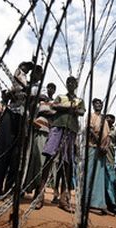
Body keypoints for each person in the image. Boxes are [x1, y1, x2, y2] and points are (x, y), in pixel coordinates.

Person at [0, 62, 36, 200]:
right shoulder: (18, 76)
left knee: (16, 156)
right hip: (11, 114)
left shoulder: (36, 88)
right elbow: (14, 89)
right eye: (26, 67)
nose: (27, 70)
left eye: (30, 69)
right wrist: (11, 94)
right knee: (1, 150)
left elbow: (34, 100)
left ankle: (9, 191)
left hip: (23, 120)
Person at [35, 76, 85, 212]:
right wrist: (69, 107)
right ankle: (39, 195)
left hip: (71, 131)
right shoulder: (60, 96)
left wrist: (70, 109)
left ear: (76, 85)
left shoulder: (79, 100)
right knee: (49, 158)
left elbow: (81, 112)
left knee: (67, 163)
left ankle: (64, 199)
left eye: (73, 82)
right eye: (68, 82)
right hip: (57, 127)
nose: (70, 84)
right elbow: (54, 105)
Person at [85, 98, 110, 214]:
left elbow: (108, 135)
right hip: (93, 147)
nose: (98, 105)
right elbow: (90, 130)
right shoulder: (91, 116)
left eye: (100, 103)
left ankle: (99, 204)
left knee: (99, 178)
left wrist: (106, 146)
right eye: (96, 103)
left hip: (102, 150)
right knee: (91, 174)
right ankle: (88, 203)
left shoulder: (104, 119)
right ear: (93, 105)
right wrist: (99, 144)